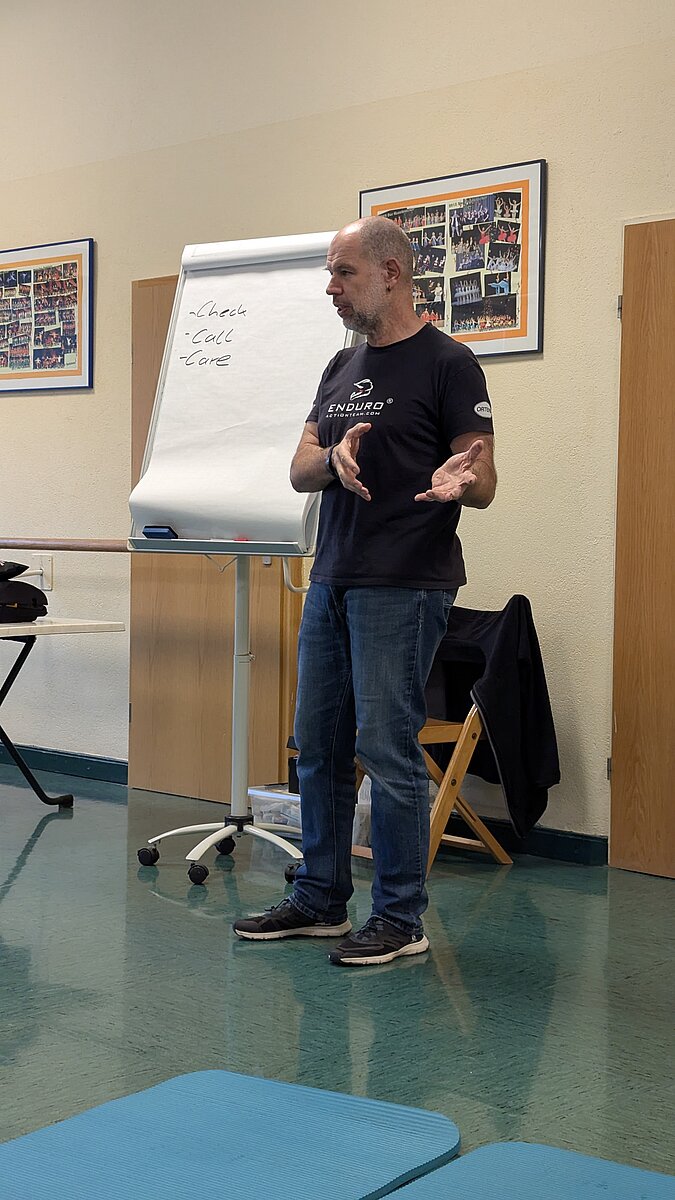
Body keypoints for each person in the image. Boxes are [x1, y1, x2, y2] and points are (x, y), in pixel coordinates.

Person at [233, 216, 496, 967]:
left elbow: (482, 478)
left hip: (405, 583)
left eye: (343, 273)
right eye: (331, 272)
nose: (331, 288)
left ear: (390, 273)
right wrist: (333, 462)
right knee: (316, 746)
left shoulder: (450, 364)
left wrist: (462, 480)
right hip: (333, 577)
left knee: (385, 748)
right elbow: (300, 468)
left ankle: (400, 917)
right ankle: (319, 898)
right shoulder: (339, 366)